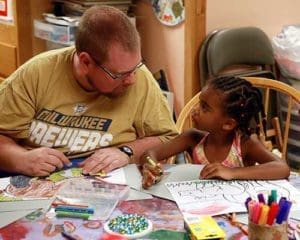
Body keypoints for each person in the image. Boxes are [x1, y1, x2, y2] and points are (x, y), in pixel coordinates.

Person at [0, 6, 177, 177]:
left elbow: (168, 138)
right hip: (38, 182)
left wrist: (126, 151)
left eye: (136, 66)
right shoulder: (36, 74)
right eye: (119, 74)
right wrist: (21, 159)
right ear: (85, 62)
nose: (132, 79)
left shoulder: (139, 77)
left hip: (111, 182)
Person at [141, 76, 290, 189]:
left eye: (205, 107)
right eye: (200, 103)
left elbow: (282, 168)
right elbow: (148, 154)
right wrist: (152, 167)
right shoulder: (192, 138)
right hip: (200, 208)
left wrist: (232, 173)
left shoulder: (245, 144)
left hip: (236, 212)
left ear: (228, 124)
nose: (195, 110)